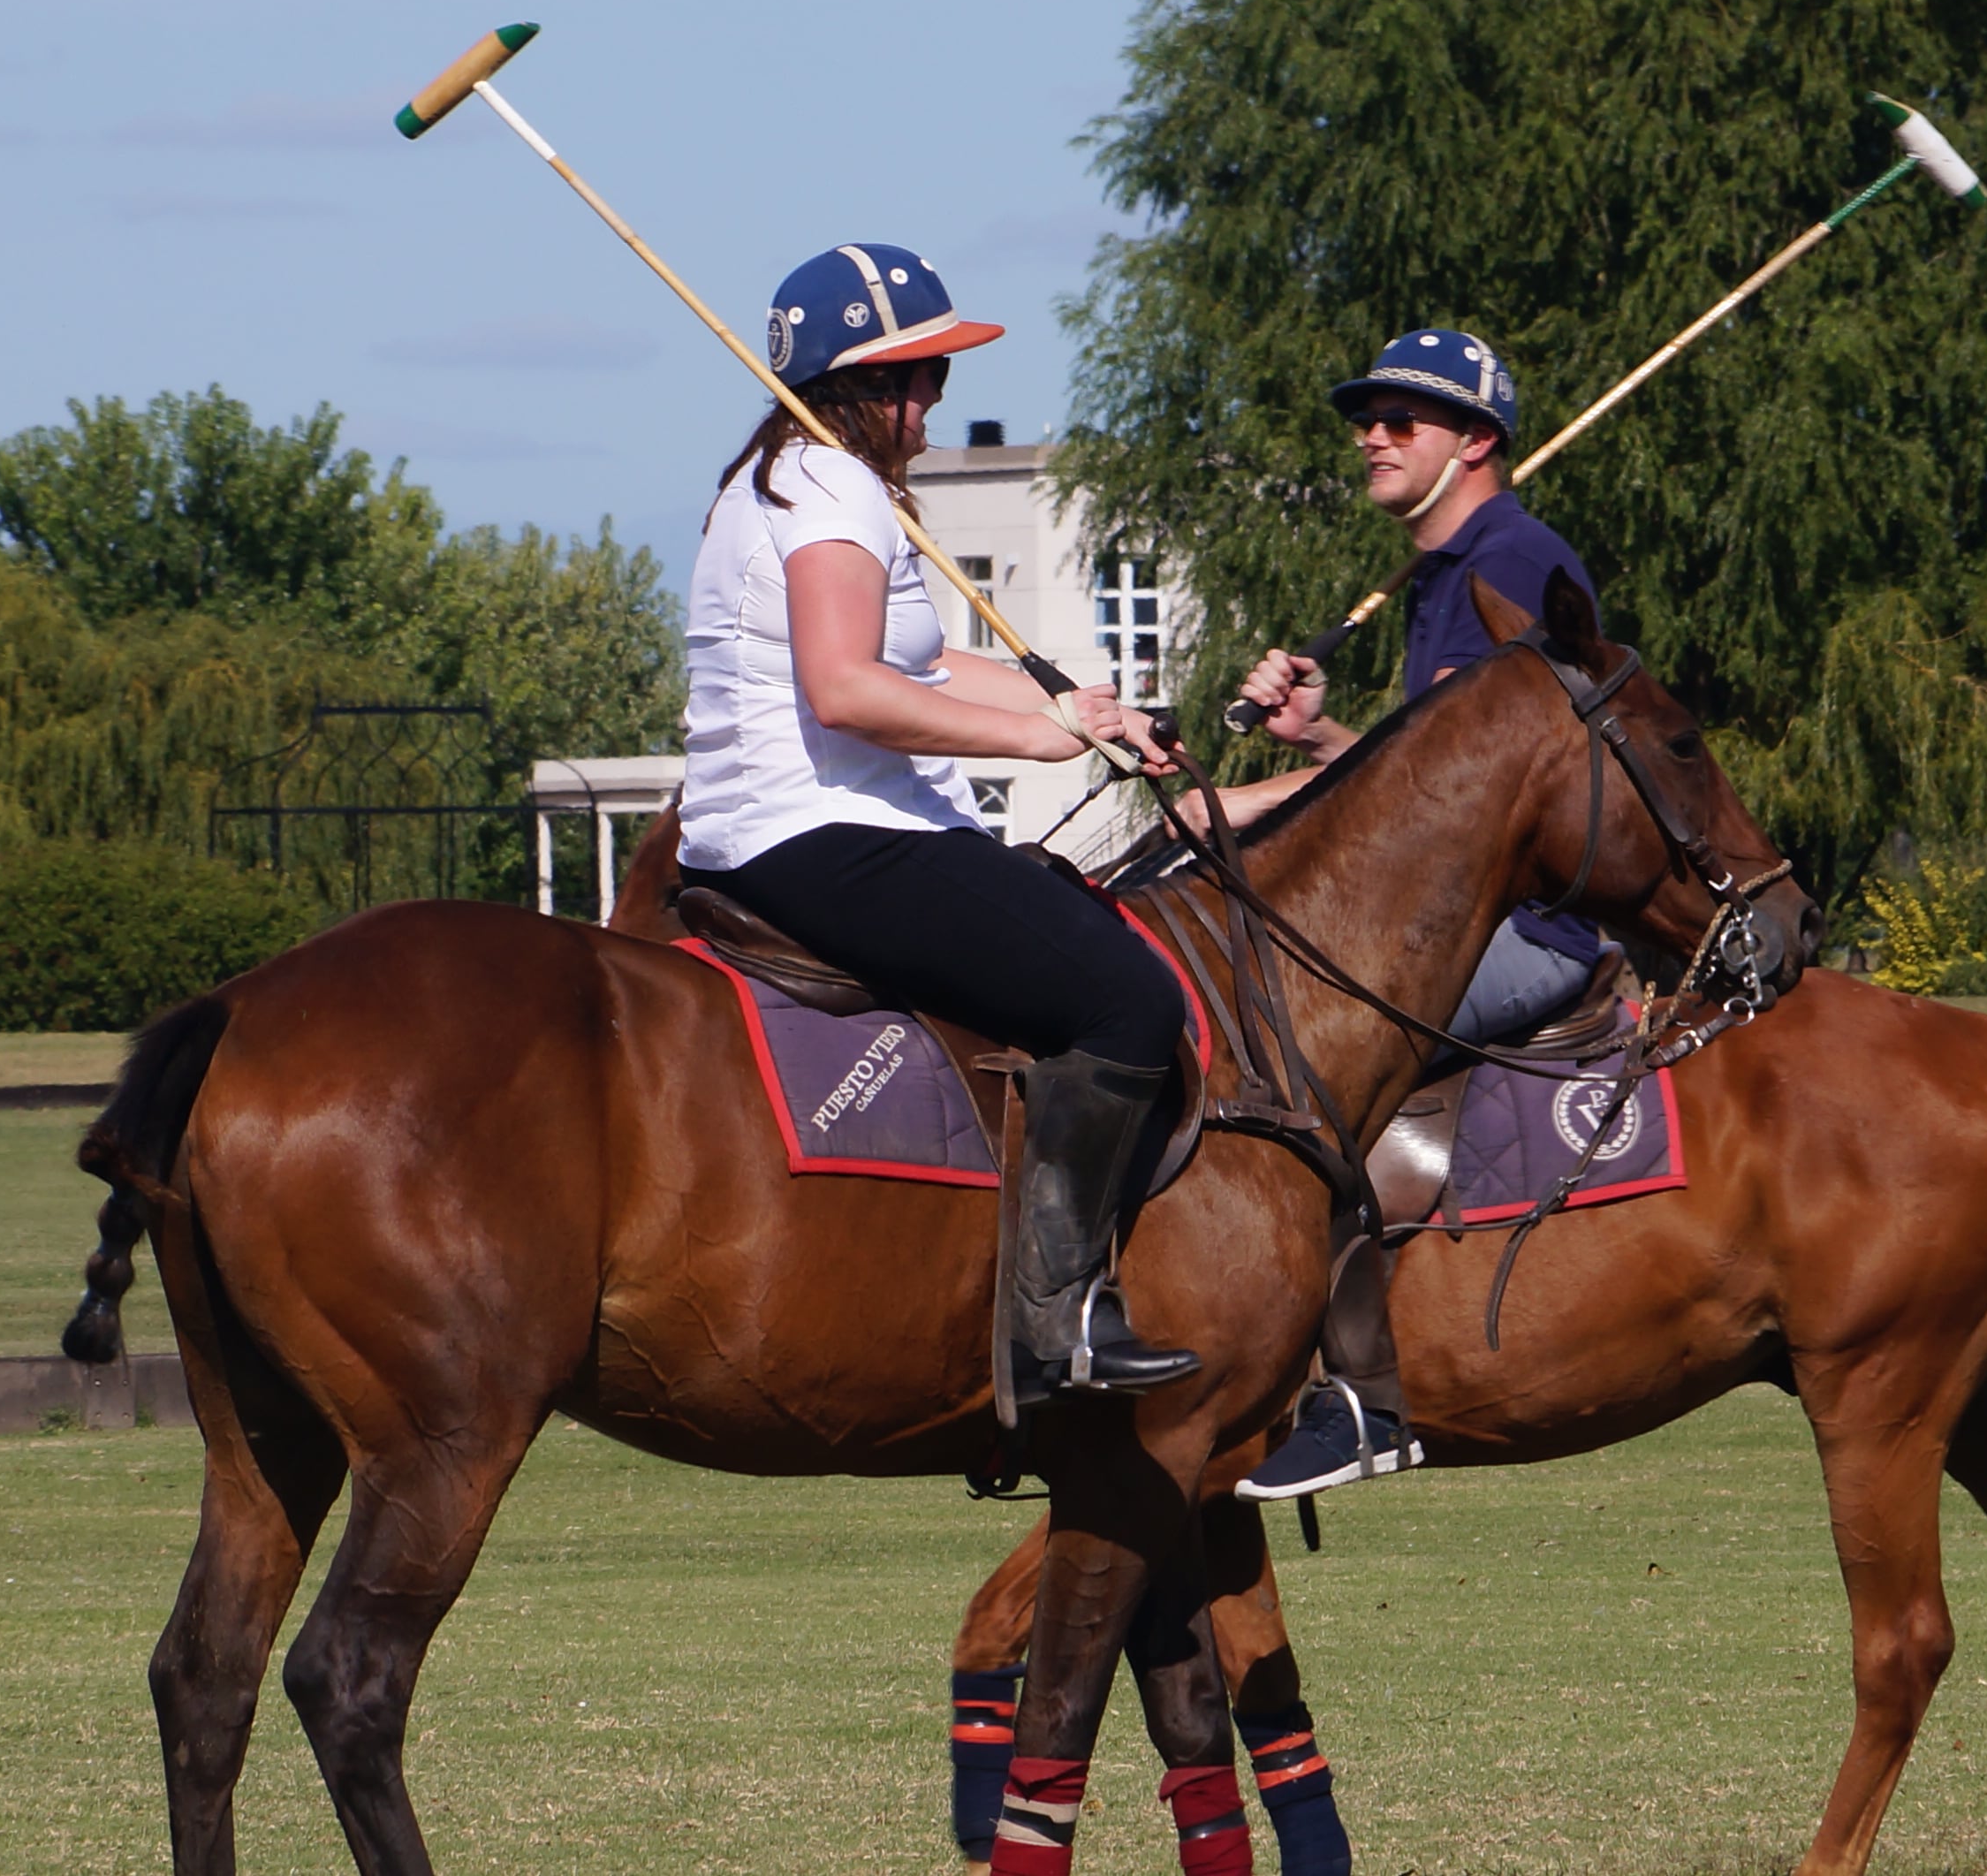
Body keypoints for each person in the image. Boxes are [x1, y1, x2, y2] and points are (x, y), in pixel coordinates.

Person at [676, 243, 1198, 1407]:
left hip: (797, 826)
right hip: (820, 831)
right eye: (912, 381)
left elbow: (925, 659)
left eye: (936, 381)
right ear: (850, 387)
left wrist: (1081, 708)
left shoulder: (792, 482)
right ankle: (1054, 1324)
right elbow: (846, 689)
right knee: (1132, 998)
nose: (928, 407)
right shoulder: (833, 491)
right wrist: (1036, 744)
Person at [1202, 327, 1618, 1499]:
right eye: (1367, 417)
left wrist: (1225, 811)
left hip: (1529, 938)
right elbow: (1421, 787)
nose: (1370, 436)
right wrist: (1328, 740)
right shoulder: (1442, 576)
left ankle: (1364, 1397)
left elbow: (1454, 814)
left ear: (1475, 442)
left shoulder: (1518, 564)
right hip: (1450, 923)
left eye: (1403, 421)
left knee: (1303, 1071)